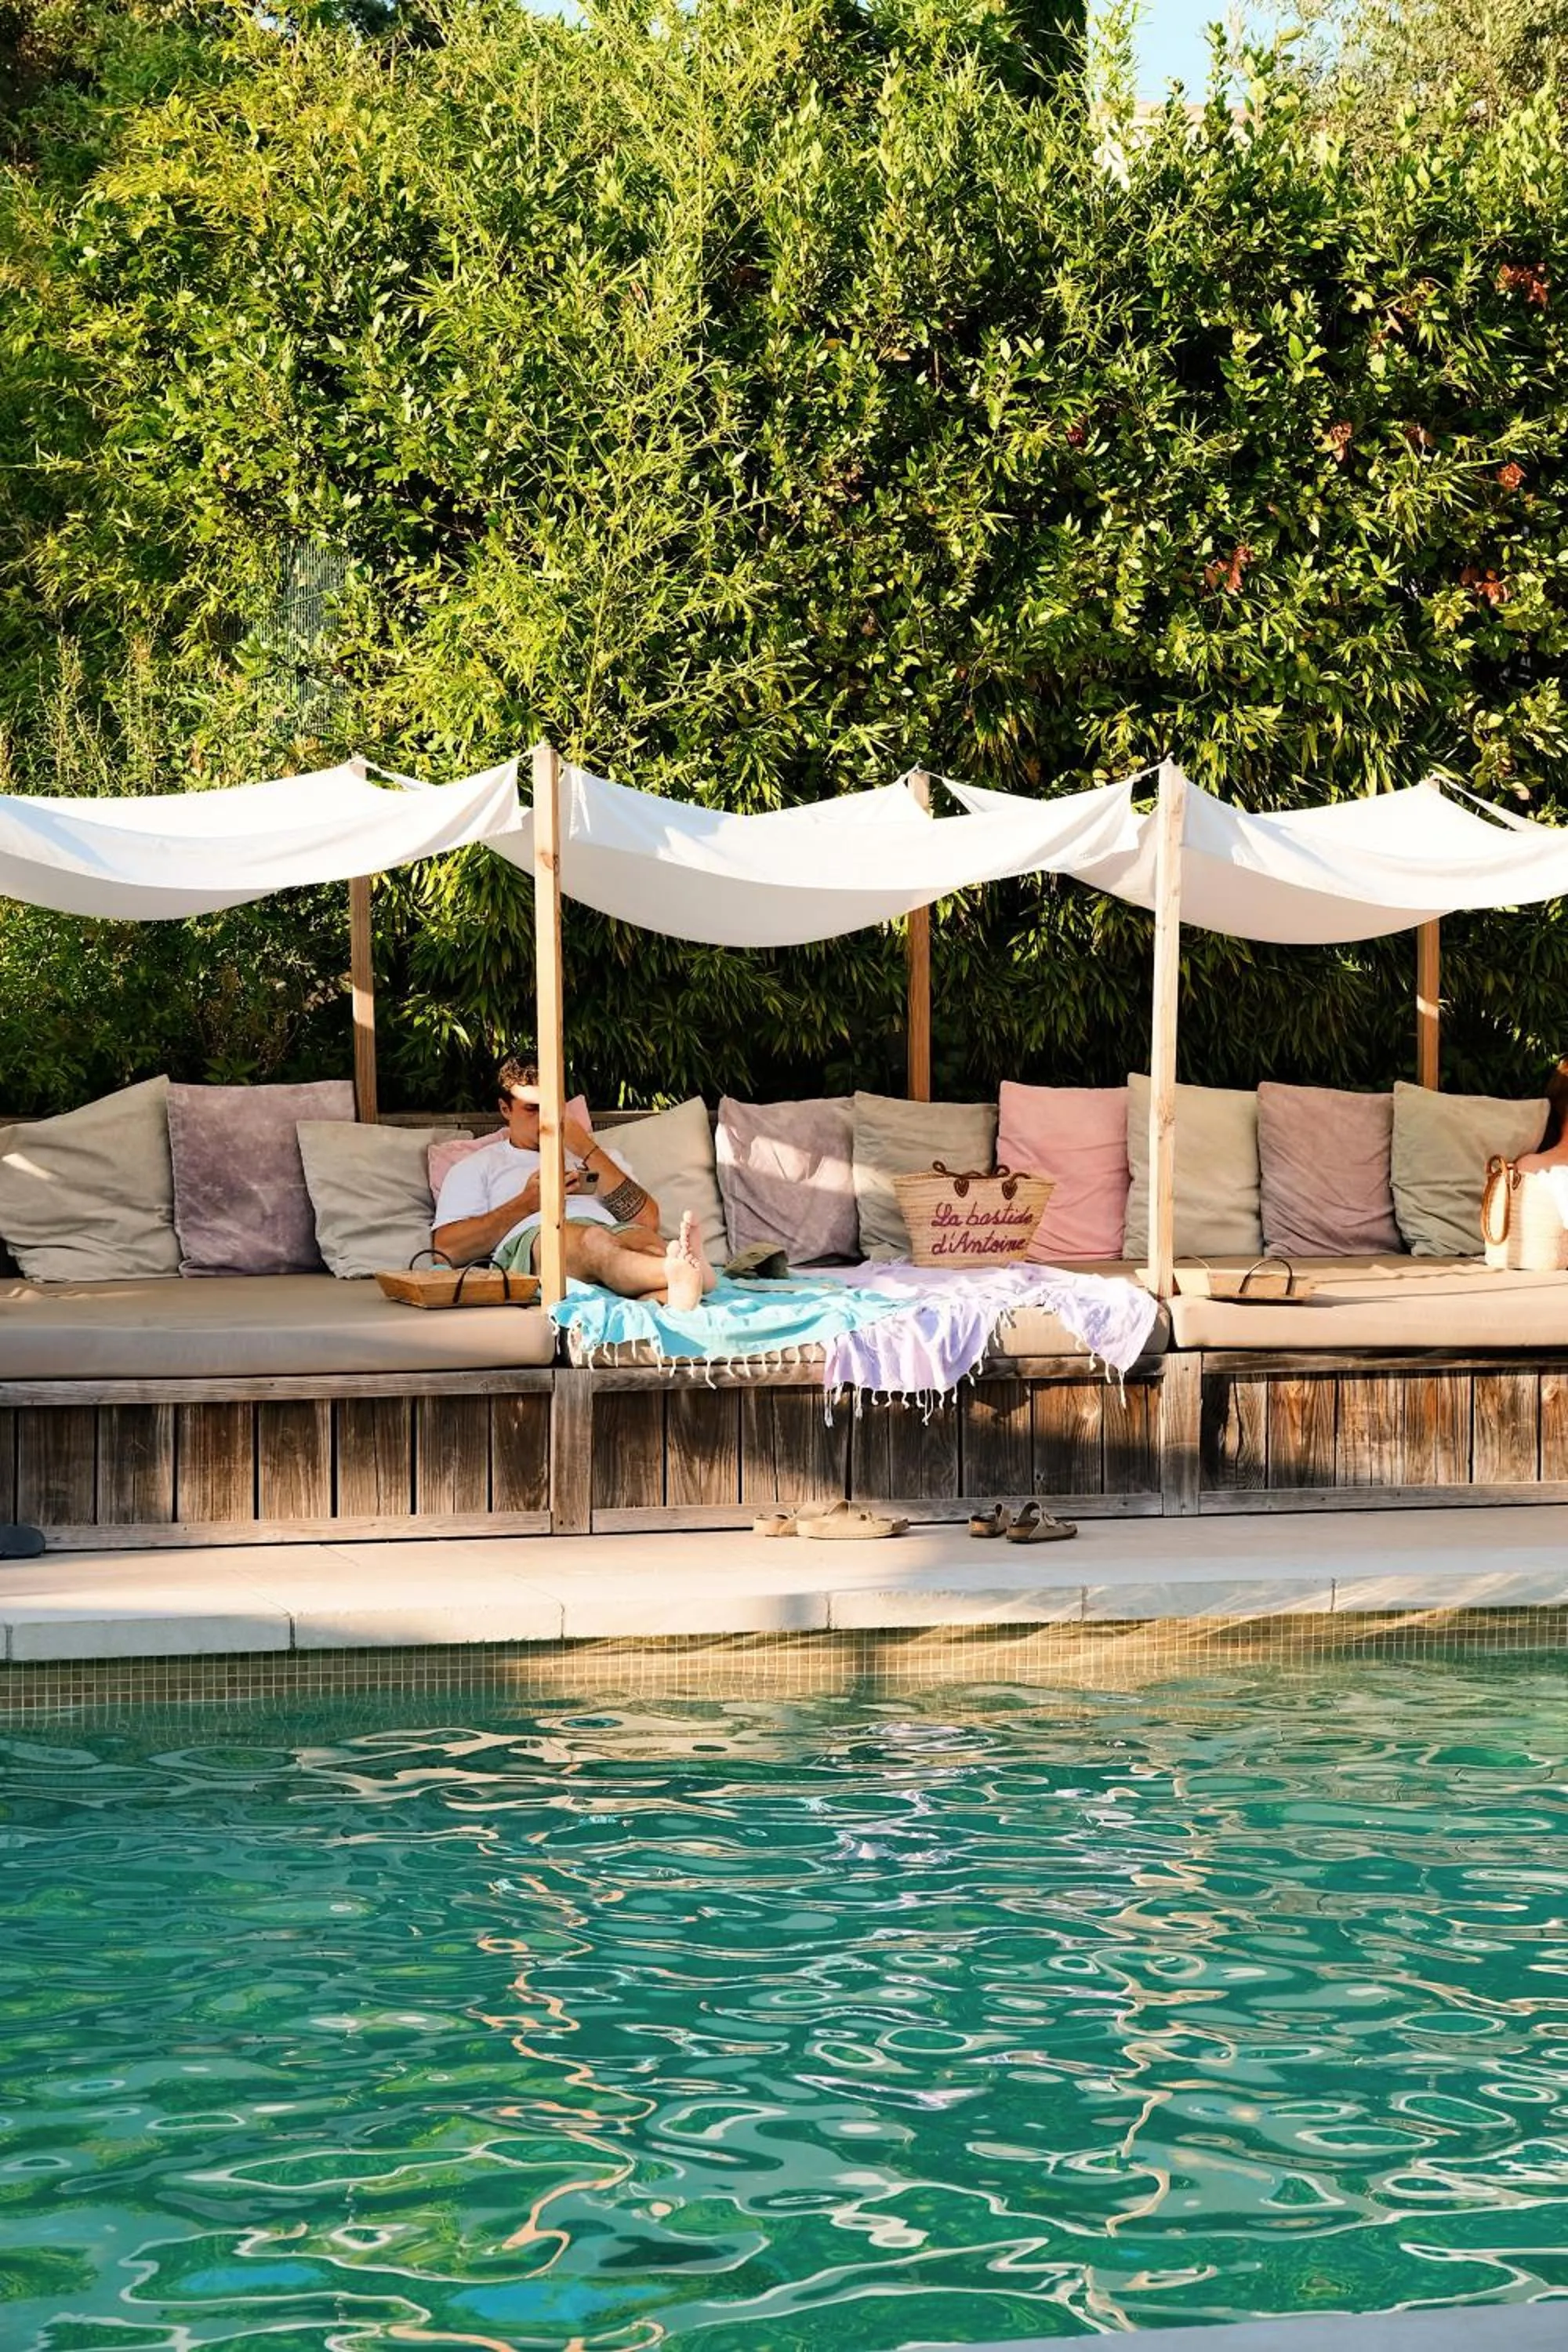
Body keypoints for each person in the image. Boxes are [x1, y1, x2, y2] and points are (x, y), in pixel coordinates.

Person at [432, 1051, 716, 1308]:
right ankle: (679, 1270)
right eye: (532, 1108)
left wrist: (584, 1148)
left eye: (553, 1106)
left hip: (612, 1231)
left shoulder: (600, 1156)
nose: (546, 1118)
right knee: (594, 1240)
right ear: (506, 1109)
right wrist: (526, 1204)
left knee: (644, 1241)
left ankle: (675, 1290)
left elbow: (646, 1221)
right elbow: (446, 1250)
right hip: (534, 1239)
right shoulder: (478, 1166)